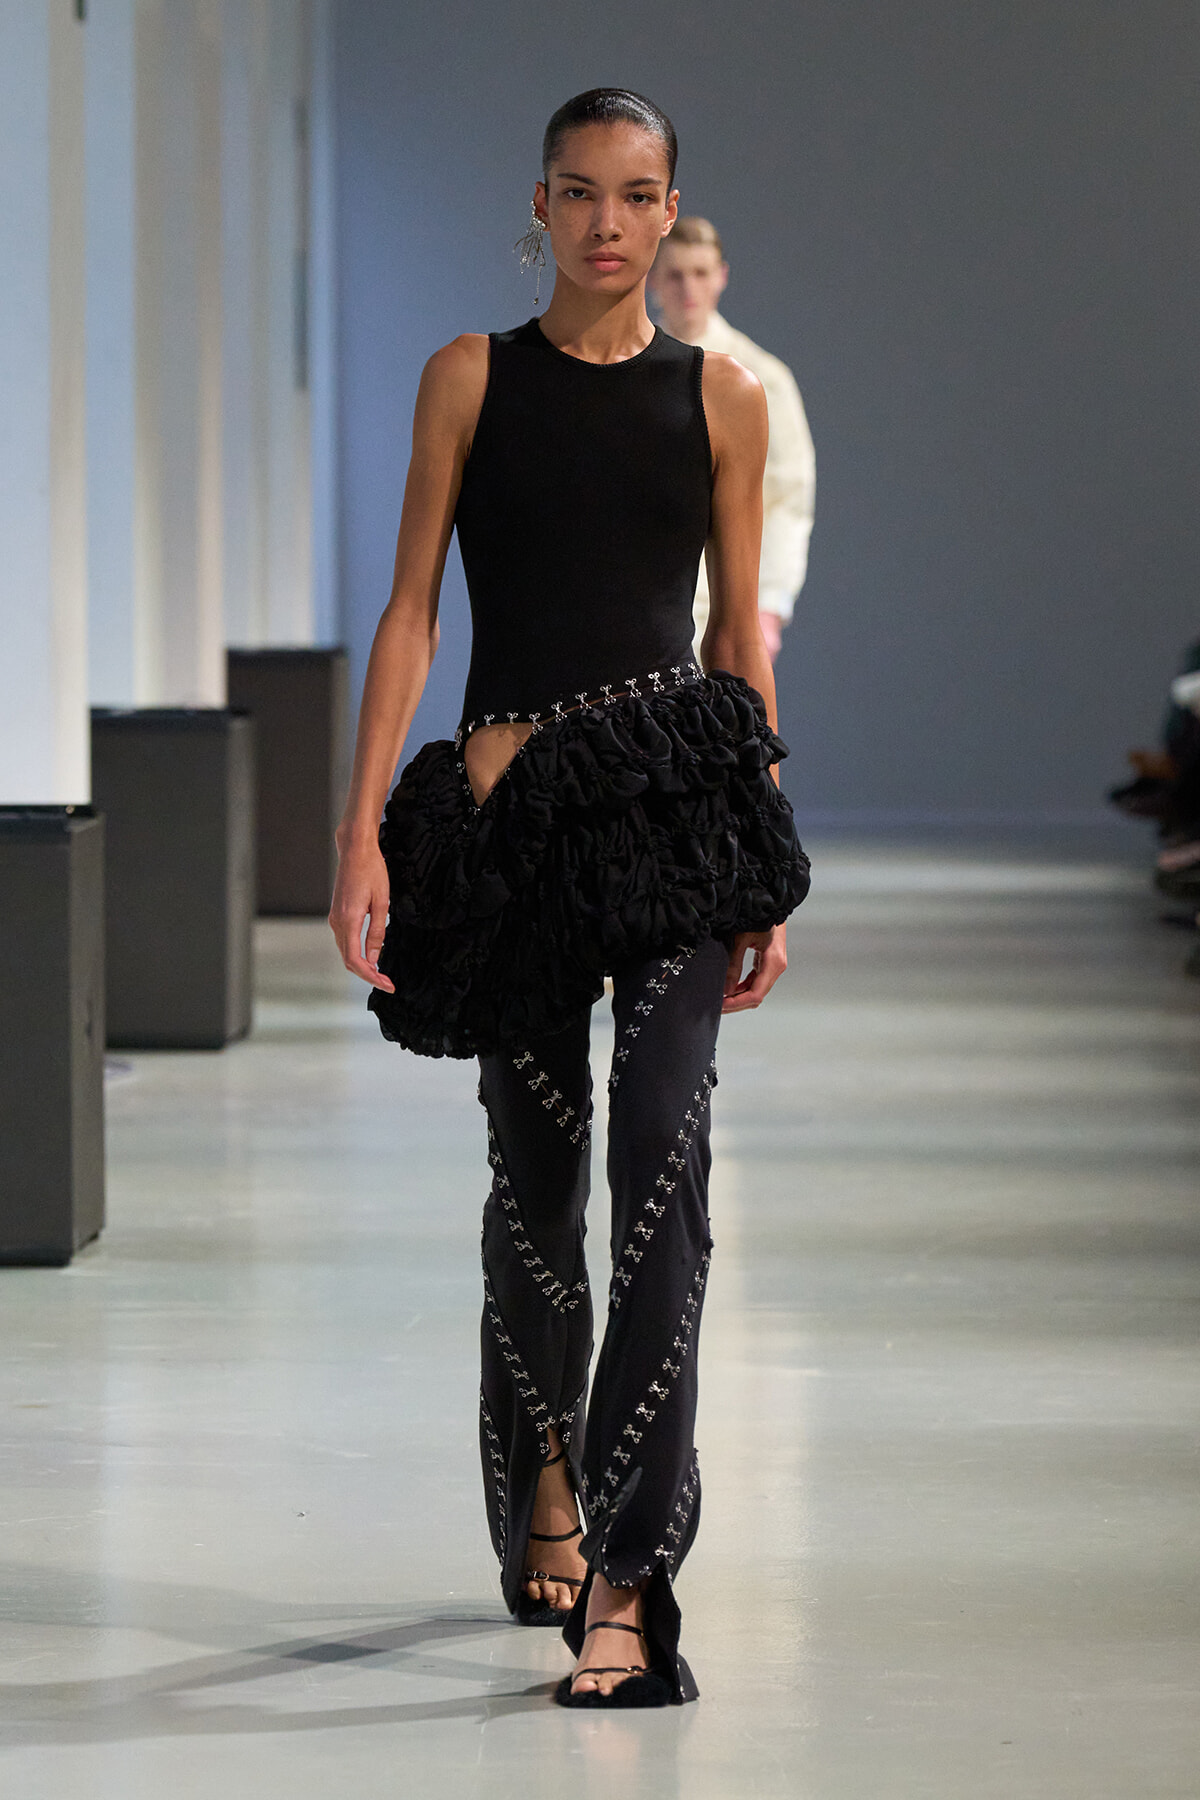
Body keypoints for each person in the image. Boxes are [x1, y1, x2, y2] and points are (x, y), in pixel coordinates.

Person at [329, 88, 810, 1710]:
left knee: (662, 1172)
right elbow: (407, 615)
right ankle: (542, 1454)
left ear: (674, 214)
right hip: (512, 829)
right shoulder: (467, 378)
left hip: (671, 822)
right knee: (537, 1199)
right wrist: (361, 836)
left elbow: (739, 646)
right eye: (582, 192)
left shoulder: (723, 403)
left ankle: (626, 1569)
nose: (612, 222)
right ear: (534, 204)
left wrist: (763, 861)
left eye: (642, 194)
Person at [648, 215, 816, 662]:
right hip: (633, 609)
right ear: (652, 280)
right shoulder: (625, 367)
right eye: (675, 274)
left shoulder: (760, 377)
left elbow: (788, 498)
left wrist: (770, 609)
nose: (688, 288)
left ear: (721, 277)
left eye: (701, 273)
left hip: (720, 610)